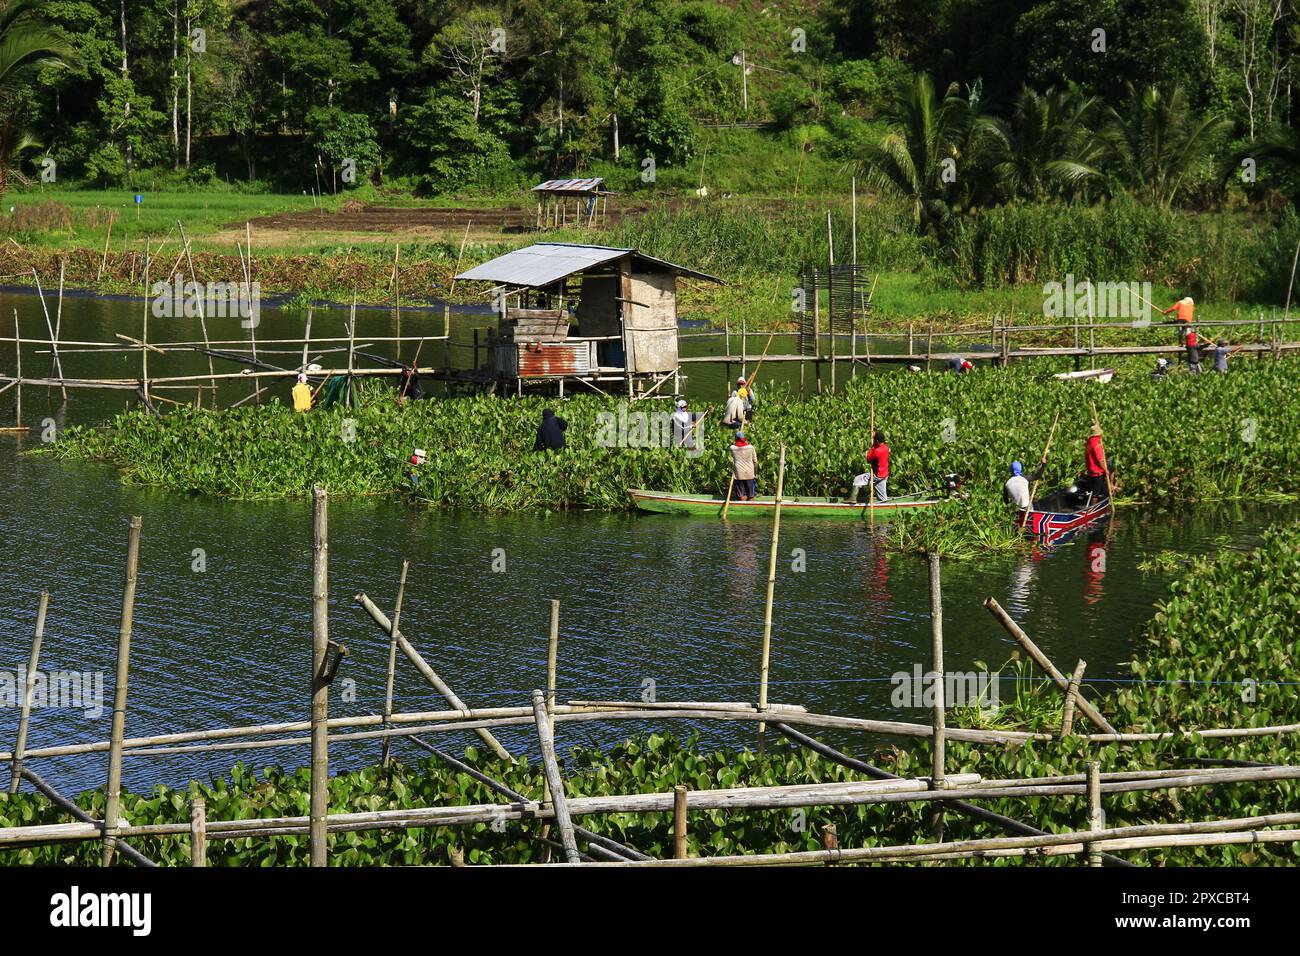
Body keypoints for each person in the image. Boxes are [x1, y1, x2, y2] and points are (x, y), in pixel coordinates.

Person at [1081, 423, 1109, 497]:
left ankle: (1108, 492)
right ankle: (1092, 508)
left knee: (1101, 489)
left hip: (1090, 470)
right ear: (1099, 435)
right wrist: (1105, 469)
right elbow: (1100, 461)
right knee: (1095, 493)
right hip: (1097, 472)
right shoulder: (1097, 446)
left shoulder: (1089, 443)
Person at [730, 431, 758, 501]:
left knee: (741, 495)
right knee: (751, 495)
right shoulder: (751, 447)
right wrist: (755, 472)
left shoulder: (732, 448)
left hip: (739, 472)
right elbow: (755, 461)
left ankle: (742, 500)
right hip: (749, 471)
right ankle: (750, 500)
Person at [865, 431, 890, 502]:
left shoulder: (877, 451)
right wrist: (874, 437)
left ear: (877, 441)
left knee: (857, 480)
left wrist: (872, 447)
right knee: (882, 498)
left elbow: (868, 459)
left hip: (877, 476)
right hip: (884, 474)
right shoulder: (886, 448)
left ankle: (852, 499)